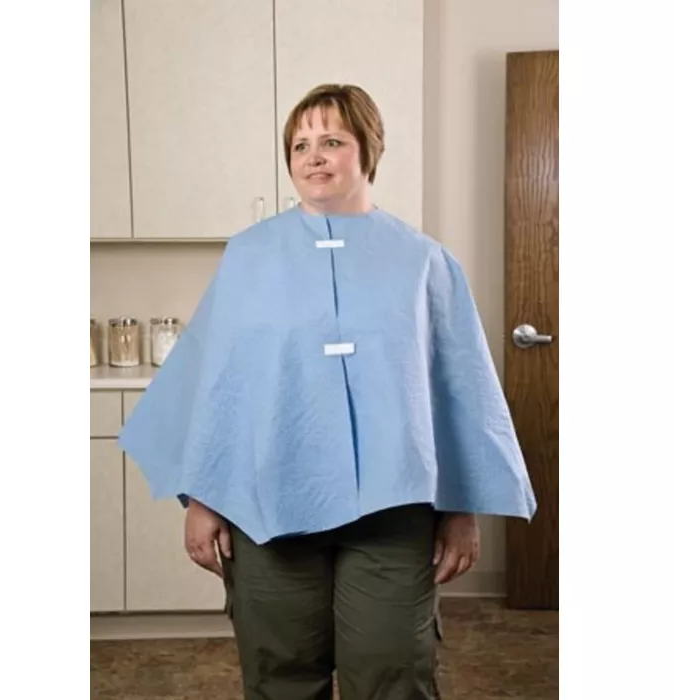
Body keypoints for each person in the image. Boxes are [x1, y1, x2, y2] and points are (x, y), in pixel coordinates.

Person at [118, 83, 537, 699]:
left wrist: (460, 509)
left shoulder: (424, 262)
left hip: (395, 511)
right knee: (281, 675)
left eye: (333, 141)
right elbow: (213, 385)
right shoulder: (249, 257)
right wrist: (203, 498)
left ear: (369, 150)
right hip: (269, 503)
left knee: (393, 674)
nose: (314, 156)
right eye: (300, 145)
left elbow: (460, 389)